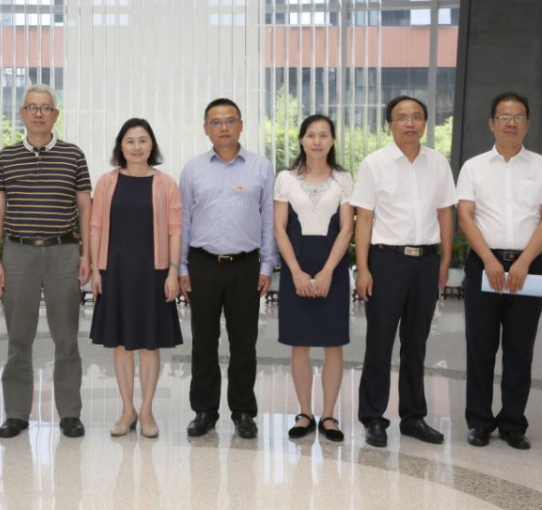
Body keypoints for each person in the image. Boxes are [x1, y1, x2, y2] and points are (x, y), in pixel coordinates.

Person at [456, 92, 542, 450]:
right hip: (483, 263)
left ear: (527, 125)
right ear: (492, 123)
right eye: (504, 116)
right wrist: (489, 260)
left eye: (518, 117)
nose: (511, 123)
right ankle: (479, 422)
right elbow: (465, 217)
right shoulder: (473, 167)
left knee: (520, 347)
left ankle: (513, 423)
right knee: (480, 346)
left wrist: (522, 262)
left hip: (528, 264)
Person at [350, 95, 456, 448]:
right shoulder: (374, 164)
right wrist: (363, 269)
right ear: (390, 124)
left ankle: (413, 417)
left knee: (416, 342)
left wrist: (444, 261)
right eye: (402, 117)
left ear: (425, 122)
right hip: (387, 261)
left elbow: (445, 213)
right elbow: (364, 218)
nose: (410, 123)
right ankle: (373, 417)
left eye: (417, 117)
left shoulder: (438, 163)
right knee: (379, 342)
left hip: (426, 262)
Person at [0, 84, 92, 439]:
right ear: (21, 113)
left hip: (63, 251)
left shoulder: (73, 155)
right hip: (18, 253)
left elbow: (85, 207)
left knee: (67, 338)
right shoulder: (6, 157)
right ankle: (16, 413)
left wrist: (87, 255)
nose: (38, 113)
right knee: (19, 339)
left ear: (55, 114)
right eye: (31, 107)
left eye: (45, 107)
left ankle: (70, 413)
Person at [179, 98, 276, 439]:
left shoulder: (261, 167)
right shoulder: (193, 169)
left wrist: (267, 265)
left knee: (244, 343)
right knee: (203, 342)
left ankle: (243, 411)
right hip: (203, 264)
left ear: (241, 125)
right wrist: (182, 267)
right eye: (216, 122)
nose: (223, 127)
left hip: (245, 266)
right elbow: (184, 220)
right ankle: (204, 410)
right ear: (206, 128)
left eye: (230, 120)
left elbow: (268, 219)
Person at [89, 118, 183, 439]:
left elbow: (174, 230)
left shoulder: (166, 184)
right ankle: (127, 409)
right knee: (121, 343)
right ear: (121, 146)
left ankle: (147, 411)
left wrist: (173, 272)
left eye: (143, 140)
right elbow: (95, 228)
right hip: (115, 271)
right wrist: (96, 270)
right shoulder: (107, 182)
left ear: (152, 145)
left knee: (149, 344)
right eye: (130, 141)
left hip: (153, 271)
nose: (137, 147)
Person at [272, 115, 354, 442]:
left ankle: (329, 415)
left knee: (333, 344)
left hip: (332, 266)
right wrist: (294, 271)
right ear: (301, 140)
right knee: (300, 344)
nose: (317, 141)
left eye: (323, 135)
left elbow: (347, 229)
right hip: (297, 264)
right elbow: (279, 228)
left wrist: (328, 272)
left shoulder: (343, 179)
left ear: (332, 140)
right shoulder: (285, 178)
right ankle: (305, 413)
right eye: (310, 135)